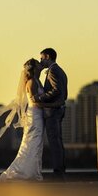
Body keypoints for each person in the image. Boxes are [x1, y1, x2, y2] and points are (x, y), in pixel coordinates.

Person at [0, 58, 62, 180]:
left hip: (39, 116)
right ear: (34, 68)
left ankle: (33, 172)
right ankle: (24, 173)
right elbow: (34, 101)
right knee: (32, 143)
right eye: (38, 63)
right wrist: (51, 105)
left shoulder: (37, 80)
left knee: (37, 144)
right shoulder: (32, 82)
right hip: (34, 116)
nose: (40, 63)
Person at [32, 48, 68, 177]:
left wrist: (40, 98)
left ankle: (58, 170)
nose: (41, 61)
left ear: (47, 57)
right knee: (57, 140)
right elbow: (63, 93)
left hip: (52, 111)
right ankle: (61, 168)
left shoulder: (53, 71)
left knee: (54, 142)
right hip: (58, 109)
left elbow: (57, 90)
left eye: (42, 58)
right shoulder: (60, 70)